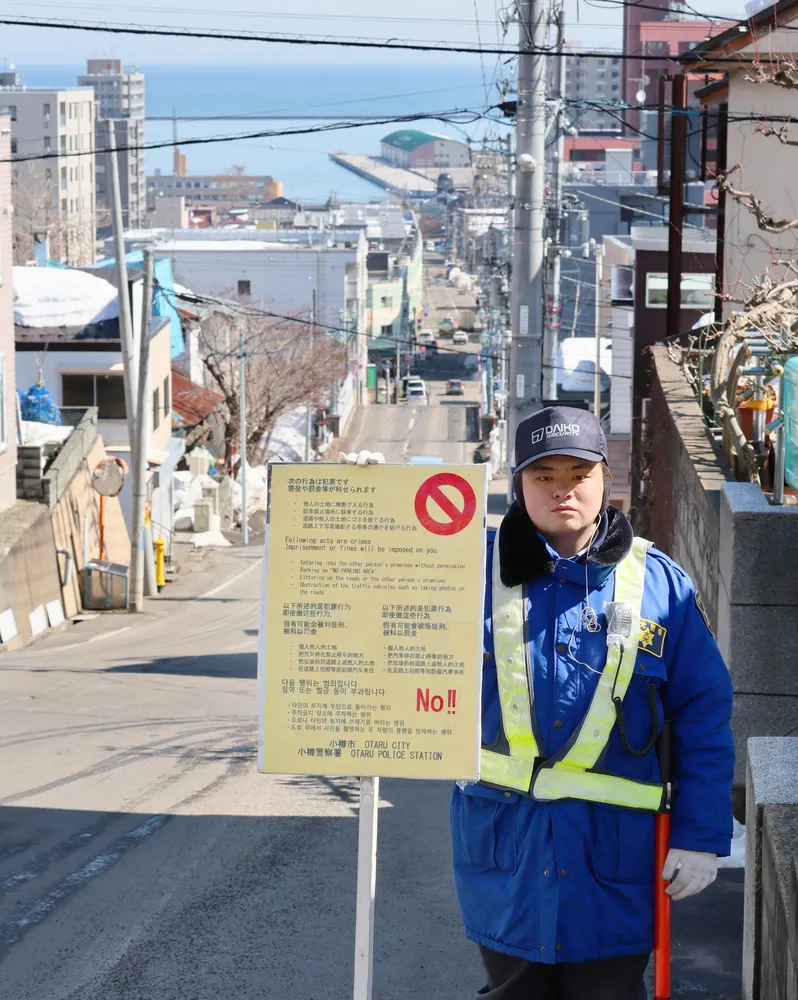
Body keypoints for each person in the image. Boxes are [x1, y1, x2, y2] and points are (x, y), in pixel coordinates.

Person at [450, 405, 734, 1000]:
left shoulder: (659, 584)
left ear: (607, 478)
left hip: (617, 861)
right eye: (543, 476)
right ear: (518, 485)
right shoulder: (463, 571)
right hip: (507, 852)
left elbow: (703, 716)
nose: (561, 491)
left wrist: (701, 834)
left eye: (578, 474)